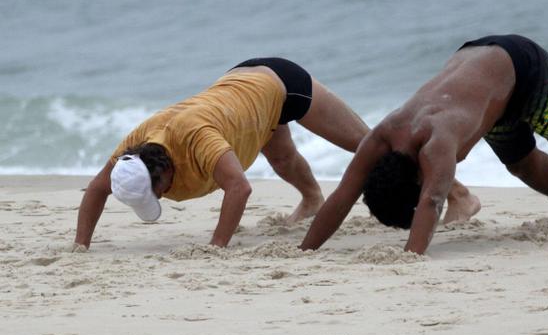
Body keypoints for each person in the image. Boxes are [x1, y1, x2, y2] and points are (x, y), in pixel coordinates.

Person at [301, 34, 548, 255]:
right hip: (484, 78)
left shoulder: (435, 144)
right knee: (521, 163)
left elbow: (431, 202)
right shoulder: (383, 135)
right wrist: (305, 253)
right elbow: (344, 193)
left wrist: (410, 258)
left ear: (416, 175)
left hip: (524, 68)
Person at [73, 57, 478, 250]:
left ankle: (459, 194)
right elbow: (96, 188)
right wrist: (81, 246)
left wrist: (217, 247)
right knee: (281, 158)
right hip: (244, 95)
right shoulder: (135, 144)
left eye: (155, 192)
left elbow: (239, 189)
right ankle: (311, 198)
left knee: (370, 145)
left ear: (161, 171)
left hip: (283, 83)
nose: (157, 198)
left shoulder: (196, 138)